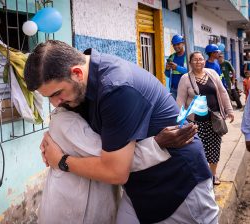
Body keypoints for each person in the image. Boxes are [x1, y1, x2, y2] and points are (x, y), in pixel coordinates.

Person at [25, 40, 219, 224]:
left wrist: (60, 161)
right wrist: (54, 133)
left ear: (77, 73)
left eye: (57, 94)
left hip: (179, 184)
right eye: (49, 97)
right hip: (138, 189)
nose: (55, 104)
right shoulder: (82, 81)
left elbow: (115, 171)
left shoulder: (116, 88)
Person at [38, 107, 171, 224]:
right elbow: (116, 163)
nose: (56, 102)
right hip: (75, 211)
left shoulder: (83, 114)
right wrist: (156, 144)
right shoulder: (68, 122)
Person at [177, 51, 234, 185]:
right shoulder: (186, 78)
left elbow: (222, 92)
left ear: (204, 61)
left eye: (201, 59)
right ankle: (201, 175)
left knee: (214, 148)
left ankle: (213, 175)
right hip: (195, 122)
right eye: (195, 60)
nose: (199, 62)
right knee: (197, 150)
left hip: (214, 119)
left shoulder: (212, 73)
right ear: (190, 63)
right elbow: (180, 100)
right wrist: (180, 121)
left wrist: (229, 110)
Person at [165, 34, 188, 99]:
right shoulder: (171, 57)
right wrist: (167, 69)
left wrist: (177, 67)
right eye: (174, 45)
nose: (176, 46)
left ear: (183, 43)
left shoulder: (188, 56)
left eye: (178, 44)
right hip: (173, 89)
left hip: (186, 89)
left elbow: (190, 72)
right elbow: (168, 75)